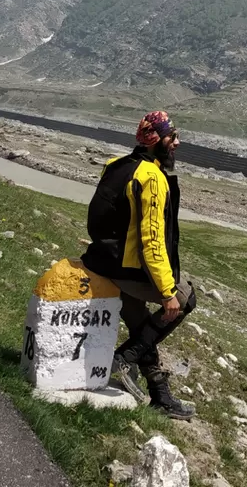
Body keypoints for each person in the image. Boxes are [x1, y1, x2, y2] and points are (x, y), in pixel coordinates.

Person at [81, 110, 197, 420]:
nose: (177, 142)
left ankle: (160, 396)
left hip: (103, 261)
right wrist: (166, 289)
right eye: (172, 137)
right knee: (184, 300)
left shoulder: (117, 165)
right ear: (157, 141)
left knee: (142, 327)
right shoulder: (153, 178)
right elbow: (152, 241)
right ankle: (122, 358)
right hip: (129, 269)